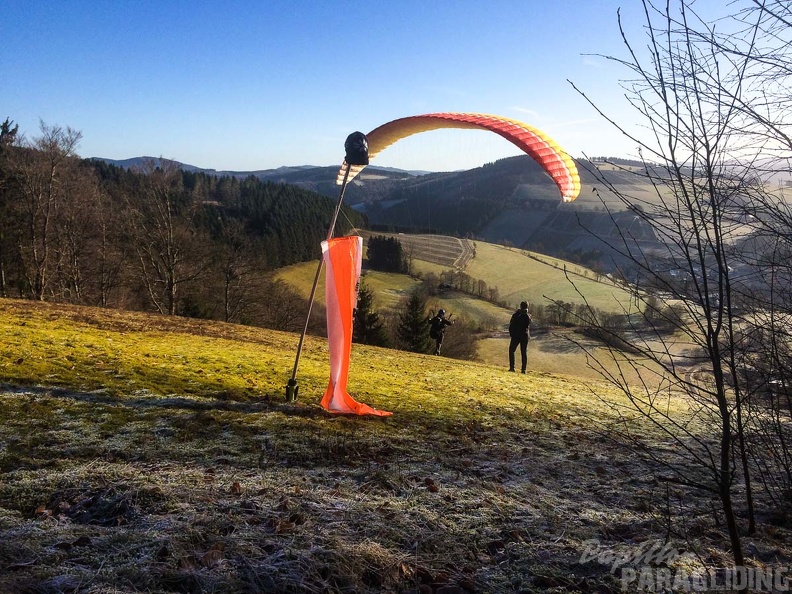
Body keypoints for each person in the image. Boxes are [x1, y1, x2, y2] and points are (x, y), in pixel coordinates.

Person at [508, 301, 532, 373]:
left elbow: (511, 325)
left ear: (520, 306)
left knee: (511, 350)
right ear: (527, 307)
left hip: (516, 335)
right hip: (525, 336)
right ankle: (523, 369)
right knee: (524, 352)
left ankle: (512, 367)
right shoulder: (528, 316)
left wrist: (512, 334)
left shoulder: (516, 315)